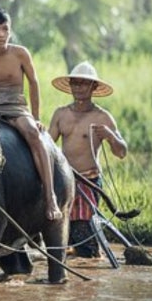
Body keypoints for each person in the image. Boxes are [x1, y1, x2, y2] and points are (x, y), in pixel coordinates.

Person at [0, 7, 62, 221]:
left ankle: (50, 196)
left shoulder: (20, 53)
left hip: (14, 104)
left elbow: (34, 84)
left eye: (6, 29)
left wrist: (35, 116)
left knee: (33, 134)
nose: (2, 34)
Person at [47, 61, 127, 257]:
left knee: (84, 234)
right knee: (59, 228)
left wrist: (110, 135)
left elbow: (122, 152)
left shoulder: (102, 117)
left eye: (84, 83)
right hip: (64, 180)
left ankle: (90, 255)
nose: (78, 88)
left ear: (94, 87)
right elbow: (48, 146)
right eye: (75, 83)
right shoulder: (61, 114)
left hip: (88, 181)